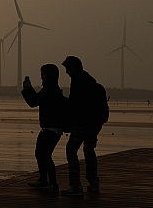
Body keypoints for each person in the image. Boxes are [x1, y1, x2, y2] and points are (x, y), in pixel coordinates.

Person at [21, 63, 68, 194]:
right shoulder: (47, 89)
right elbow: (34, 102)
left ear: (50, 75)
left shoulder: (53, 91)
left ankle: (53, 184)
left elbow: (38, 101)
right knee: (39, 153)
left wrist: (29, 89)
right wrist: (27, 90)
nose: (41, 77)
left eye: (43, 74)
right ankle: (43, 180)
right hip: (47, 127)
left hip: (53, 128)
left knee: (46, 155)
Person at [60, 55, 103, 196]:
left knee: (71, 149)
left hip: (83, 121)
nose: (66, 71)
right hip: (95, 123)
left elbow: (74, 103)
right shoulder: (90, 80)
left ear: (73, 67)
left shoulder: (77, 80)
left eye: (67, 68)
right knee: (89, 150)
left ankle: (76, 186)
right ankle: (94, 182)